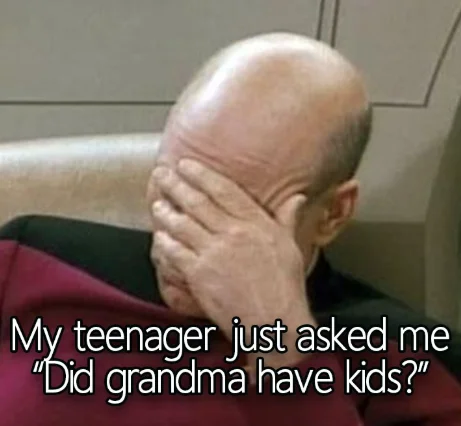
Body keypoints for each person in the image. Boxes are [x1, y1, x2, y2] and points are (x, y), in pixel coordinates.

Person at [0, 33, 460, 425]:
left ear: (331, 215)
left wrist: (282, 348)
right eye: (173, 190)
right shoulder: (32, 254)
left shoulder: (413, 359)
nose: (180, 242)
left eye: (233, 215)